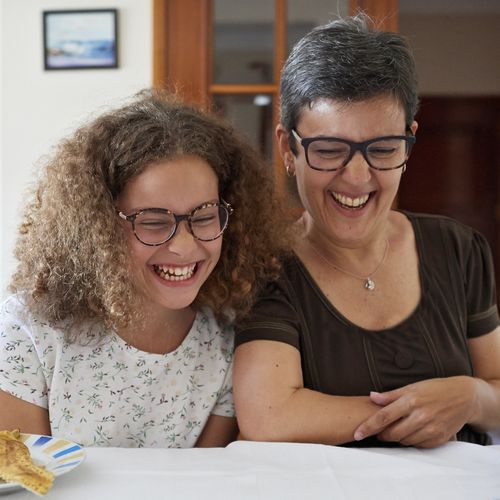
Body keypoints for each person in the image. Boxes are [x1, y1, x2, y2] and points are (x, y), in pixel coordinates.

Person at [233, 14, 500, 448]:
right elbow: (269, 416)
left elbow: (496, 387)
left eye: (382, 149)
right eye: (329, 150)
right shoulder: (266, 266)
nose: (357, 177)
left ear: (409, 142)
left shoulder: (458, 248)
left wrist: (470, 397)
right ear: (288, 148)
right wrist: (423, 411)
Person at [0, 89, 287, 448]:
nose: (184, 245)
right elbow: (25, 481)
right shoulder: (29, 334)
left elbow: (204, 478)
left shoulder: (226, 338)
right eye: (152, 221)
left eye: (204, 216)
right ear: (98, 226)